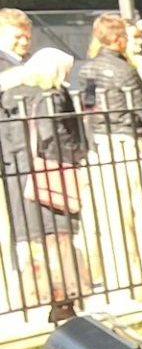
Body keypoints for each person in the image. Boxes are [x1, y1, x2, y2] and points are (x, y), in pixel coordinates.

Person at [73, 13, 142, 303]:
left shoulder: (88, 71)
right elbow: (141, 113)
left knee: (114, 221)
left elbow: (89, 109)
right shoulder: (125, 71)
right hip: (129, 144)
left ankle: (125, 284)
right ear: (119, 39)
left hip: (102, 146)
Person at [1, 48, 92, 320]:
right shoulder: (50, 96)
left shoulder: (9, 95)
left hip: (18, 174)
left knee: (32, 240)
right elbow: (53, 135)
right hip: (49, 173)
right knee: (58, 237)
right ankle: (64, 297)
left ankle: (35, 295)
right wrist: (77, 154)